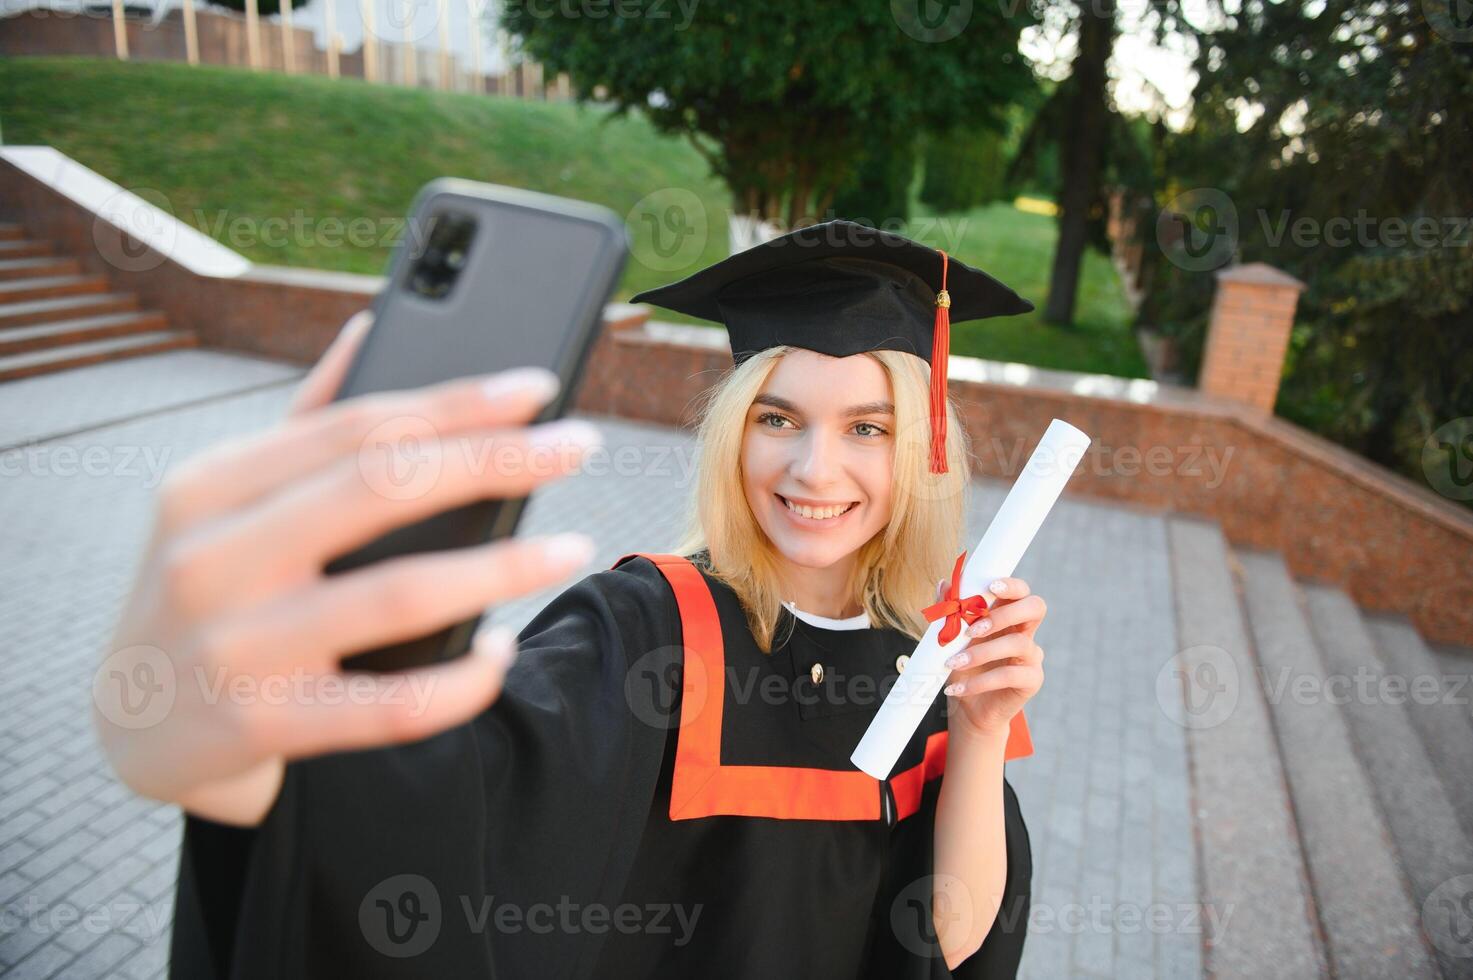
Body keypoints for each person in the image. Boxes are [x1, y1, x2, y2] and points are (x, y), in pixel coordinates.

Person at [95, 219, 1048, 979]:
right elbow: (448, 793)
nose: (814, 467)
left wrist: (976, 727)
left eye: (867, 428)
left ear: (920, 448)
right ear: (733, 432)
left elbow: (953, 941)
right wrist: (233, 749)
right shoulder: (647, 629)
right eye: (778, 417)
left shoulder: (924, 659)